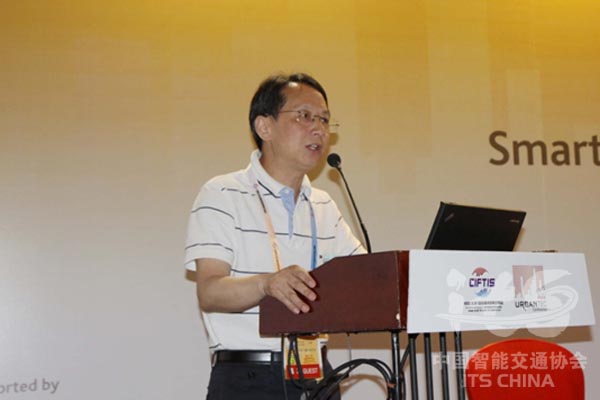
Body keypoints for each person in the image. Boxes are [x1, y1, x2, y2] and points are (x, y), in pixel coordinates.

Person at [185, 73, 365, 400]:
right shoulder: (222, 193)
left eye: (324, 120)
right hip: (249, 377)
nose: (318, 129)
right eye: (304, 116)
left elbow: (364, 279)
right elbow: (209, 292)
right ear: (264, 127)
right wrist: (267, 284)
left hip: (316, 375)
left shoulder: (323, 204)